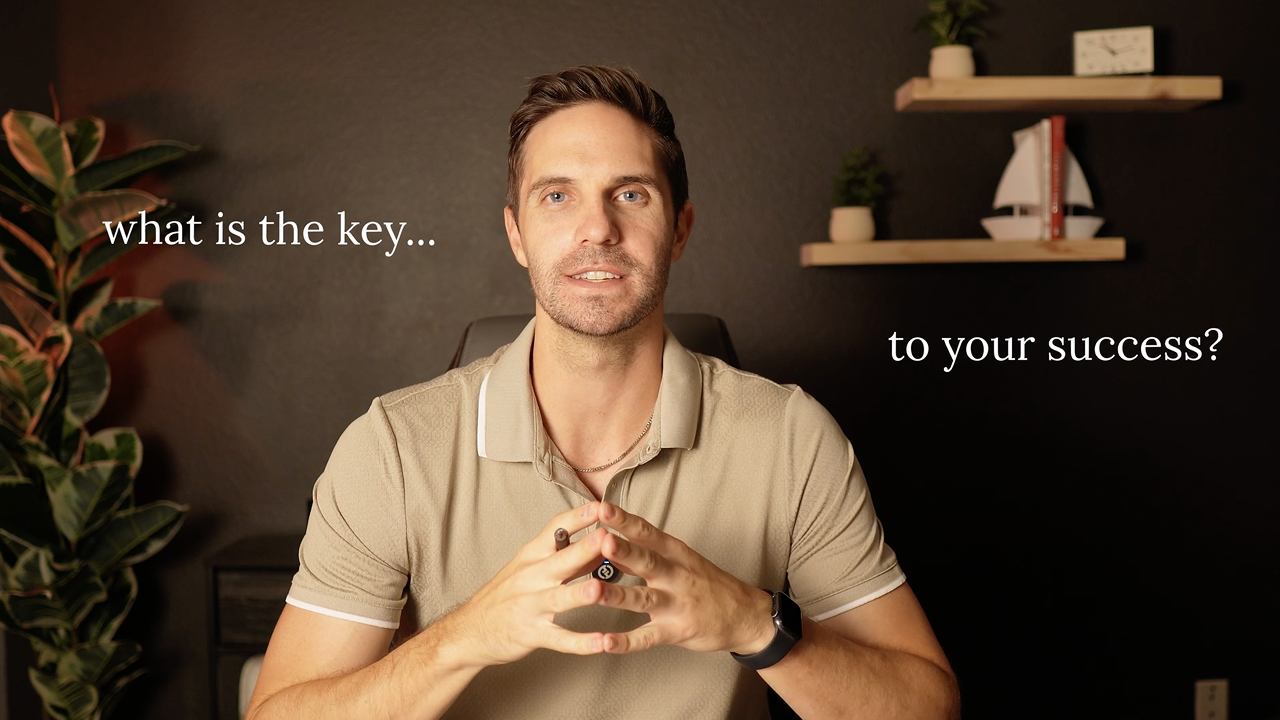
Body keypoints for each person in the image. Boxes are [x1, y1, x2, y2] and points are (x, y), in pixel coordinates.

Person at [246, 65, 959, 720]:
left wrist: (751, 622)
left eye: (631, 194)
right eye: (557, 196)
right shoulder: (392, 449)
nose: (598, 229)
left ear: (679, 228)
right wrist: (468, 635)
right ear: (517, 233)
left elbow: (928, 706)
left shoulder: (791, 436)